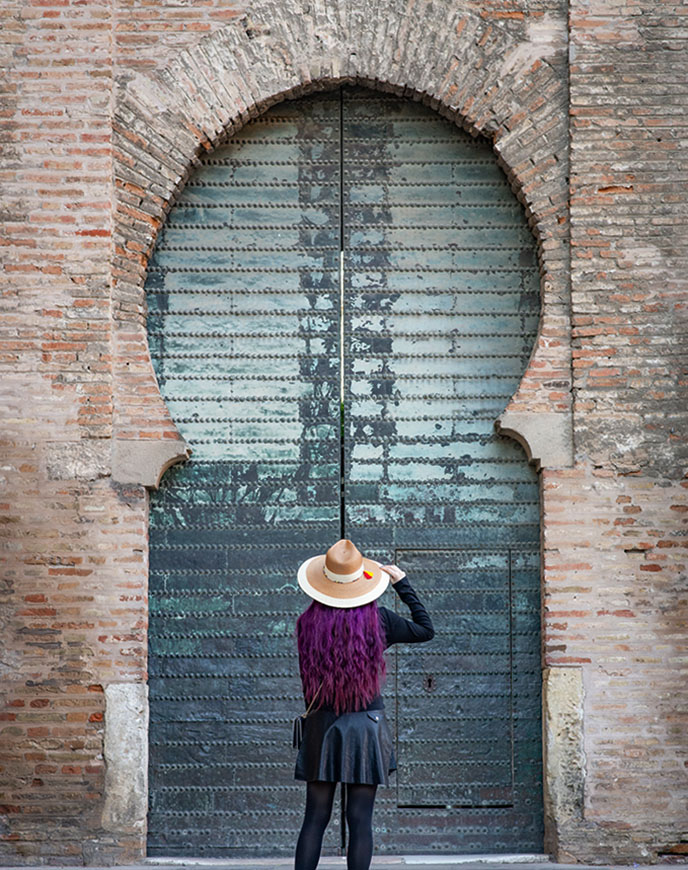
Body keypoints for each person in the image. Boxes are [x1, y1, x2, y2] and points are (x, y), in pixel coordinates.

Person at [293, 538, 434, 870]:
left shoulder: (307, 624)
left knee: (314, 818)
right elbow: (426, 629)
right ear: (362, 583)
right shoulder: (380, 621)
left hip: (322, 726)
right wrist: (403, 585)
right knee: (360, 820)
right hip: (366, 728)